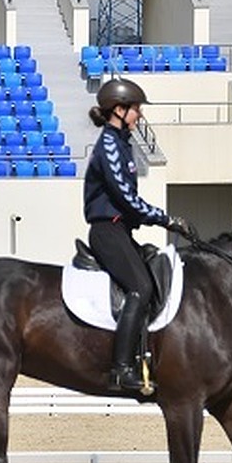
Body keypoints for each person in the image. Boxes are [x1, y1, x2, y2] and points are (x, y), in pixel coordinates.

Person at [83, 77, 195, 394]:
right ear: (118, 110)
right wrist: (166, 219)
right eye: (135, 109)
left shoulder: (121, 143)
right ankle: (120, 369)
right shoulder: (109, 145)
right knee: (140, 288)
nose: (139, 115)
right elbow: (124, 198)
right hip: (107, 231)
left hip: (120, 229)